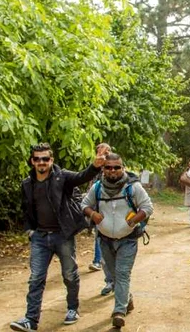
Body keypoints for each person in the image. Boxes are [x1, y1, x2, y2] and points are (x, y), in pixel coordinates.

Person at [10, 142, 109, 332]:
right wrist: (30, 230)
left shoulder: (61, 177)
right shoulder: (27, 184)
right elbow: (27, 210)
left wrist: (95, 165)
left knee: (70, 275)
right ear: (32, 161)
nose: (41, 162)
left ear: (51, 160)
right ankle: (31, 320)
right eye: (37, 159)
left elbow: (81, 177)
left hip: (62, 235)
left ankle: (72, 308)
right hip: (40, 237)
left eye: (45, 158)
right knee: (36, 278)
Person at [81, 153, 153, 328]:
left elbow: (148, 207)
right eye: (108, 167)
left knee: (122, 274)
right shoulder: (97, 188)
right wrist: (93, 214)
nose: (112, 170)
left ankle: (119, 311)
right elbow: (84, 204)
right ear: (103, 169)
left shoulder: (133, 188)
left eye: (116, 167)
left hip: (128, 239)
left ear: (123, 168)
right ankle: (127, 299)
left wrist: (135, 220)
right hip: (104, 240)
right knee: (113, 276)